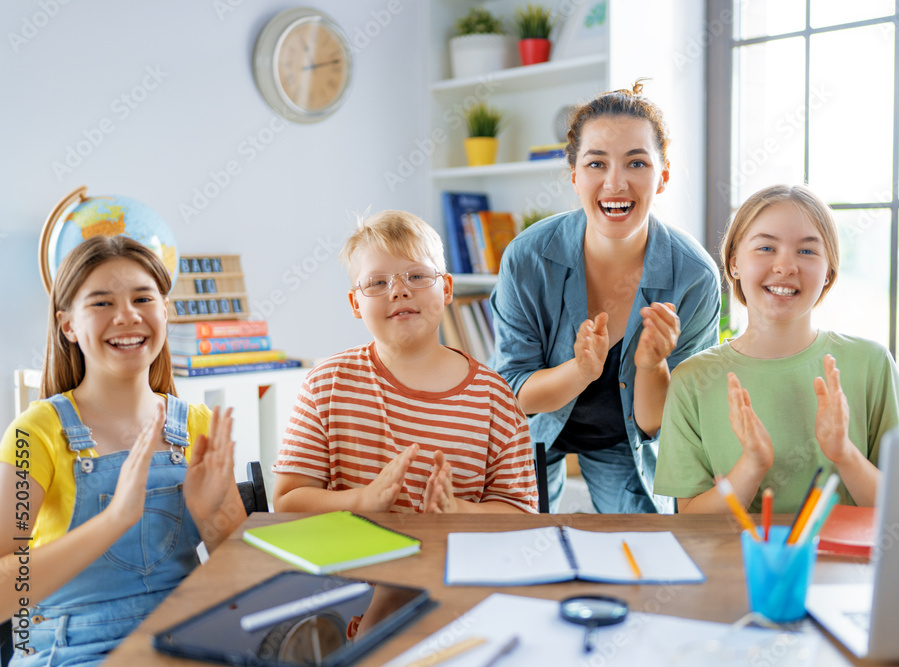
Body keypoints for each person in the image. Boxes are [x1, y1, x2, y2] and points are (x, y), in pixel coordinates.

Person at [0, 236, 245, 667]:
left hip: (185, 637)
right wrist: (116, 518)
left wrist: (213, 518)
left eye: (142, 298)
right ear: (68, 325)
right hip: (69, 648)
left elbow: (243, 579)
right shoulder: (32, 434)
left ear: (164, 312)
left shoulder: (198, 426)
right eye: (101, 303)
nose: (127, 316)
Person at [490, 81, 721, 514]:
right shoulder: (527, 258)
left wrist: (652, 366)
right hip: (532, 426)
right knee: (519, 539)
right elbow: (513, 392)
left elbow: (667, 425)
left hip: (625, 437)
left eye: (636, 163)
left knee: (643, 550)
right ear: (575, 176)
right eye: (597, 163)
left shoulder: (694, 278)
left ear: (663, 176)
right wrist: (580, 371)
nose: (615, 183)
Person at [655, 184, 899, 514]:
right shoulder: (692, 379)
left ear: (829, 273)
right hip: (738, 565)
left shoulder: (871, 364)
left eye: (806, 251)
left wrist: (844, 453)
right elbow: (691, 520)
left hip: (848, 566)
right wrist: (751, 465)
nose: (785, 266)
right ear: (734, 263)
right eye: (765, 248)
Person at [272, 210, 537, 514]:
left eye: (417, 276)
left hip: (453, 559)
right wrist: (361, 501)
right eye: (377, 282)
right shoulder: (326, 385)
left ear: (447, 288)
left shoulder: (494, 397)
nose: (399, 290)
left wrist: (459, 511)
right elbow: (287, 500)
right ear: (356, 303)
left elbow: (520, 513)